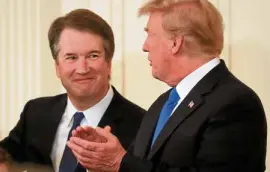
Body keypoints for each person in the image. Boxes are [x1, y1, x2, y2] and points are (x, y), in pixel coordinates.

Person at [67, 0, 267, 172]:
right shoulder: (164, 104)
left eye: (150, 34)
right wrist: (105, 163)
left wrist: (120, 162)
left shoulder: (235, 103)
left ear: (175, 43)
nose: (144, 46)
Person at [0, 9, 145, 172]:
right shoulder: (35, 113)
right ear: (57, 67)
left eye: (93, 56)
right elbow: (6, 157)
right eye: (71, 58)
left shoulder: (142, 125)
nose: (82, 69)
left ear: (109, 63)